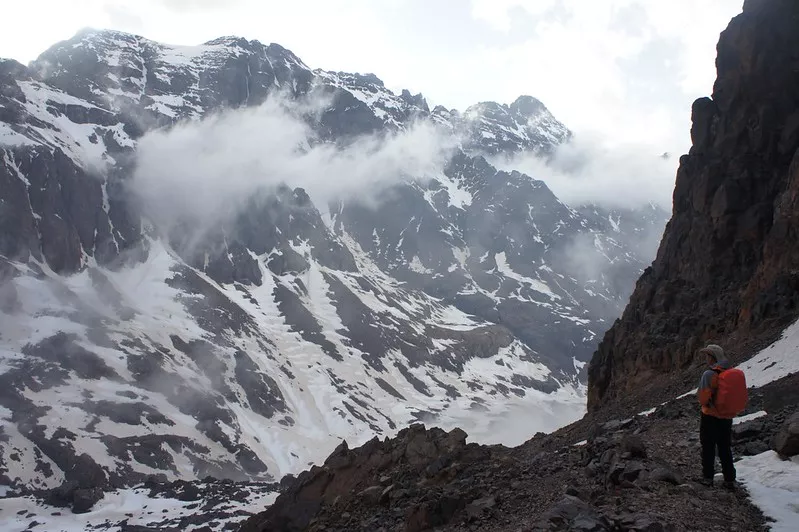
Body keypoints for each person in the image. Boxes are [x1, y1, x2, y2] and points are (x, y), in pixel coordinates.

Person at [696, 344, 736, 489]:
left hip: (710, 416)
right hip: (726, 416)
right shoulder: (730, 372)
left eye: (707, 356)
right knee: (725, 447)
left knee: (708, 447)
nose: (706, 358)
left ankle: (708, 478)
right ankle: (730, 479)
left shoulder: (709, 374)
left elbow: (702, 398)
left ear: (713, 357)